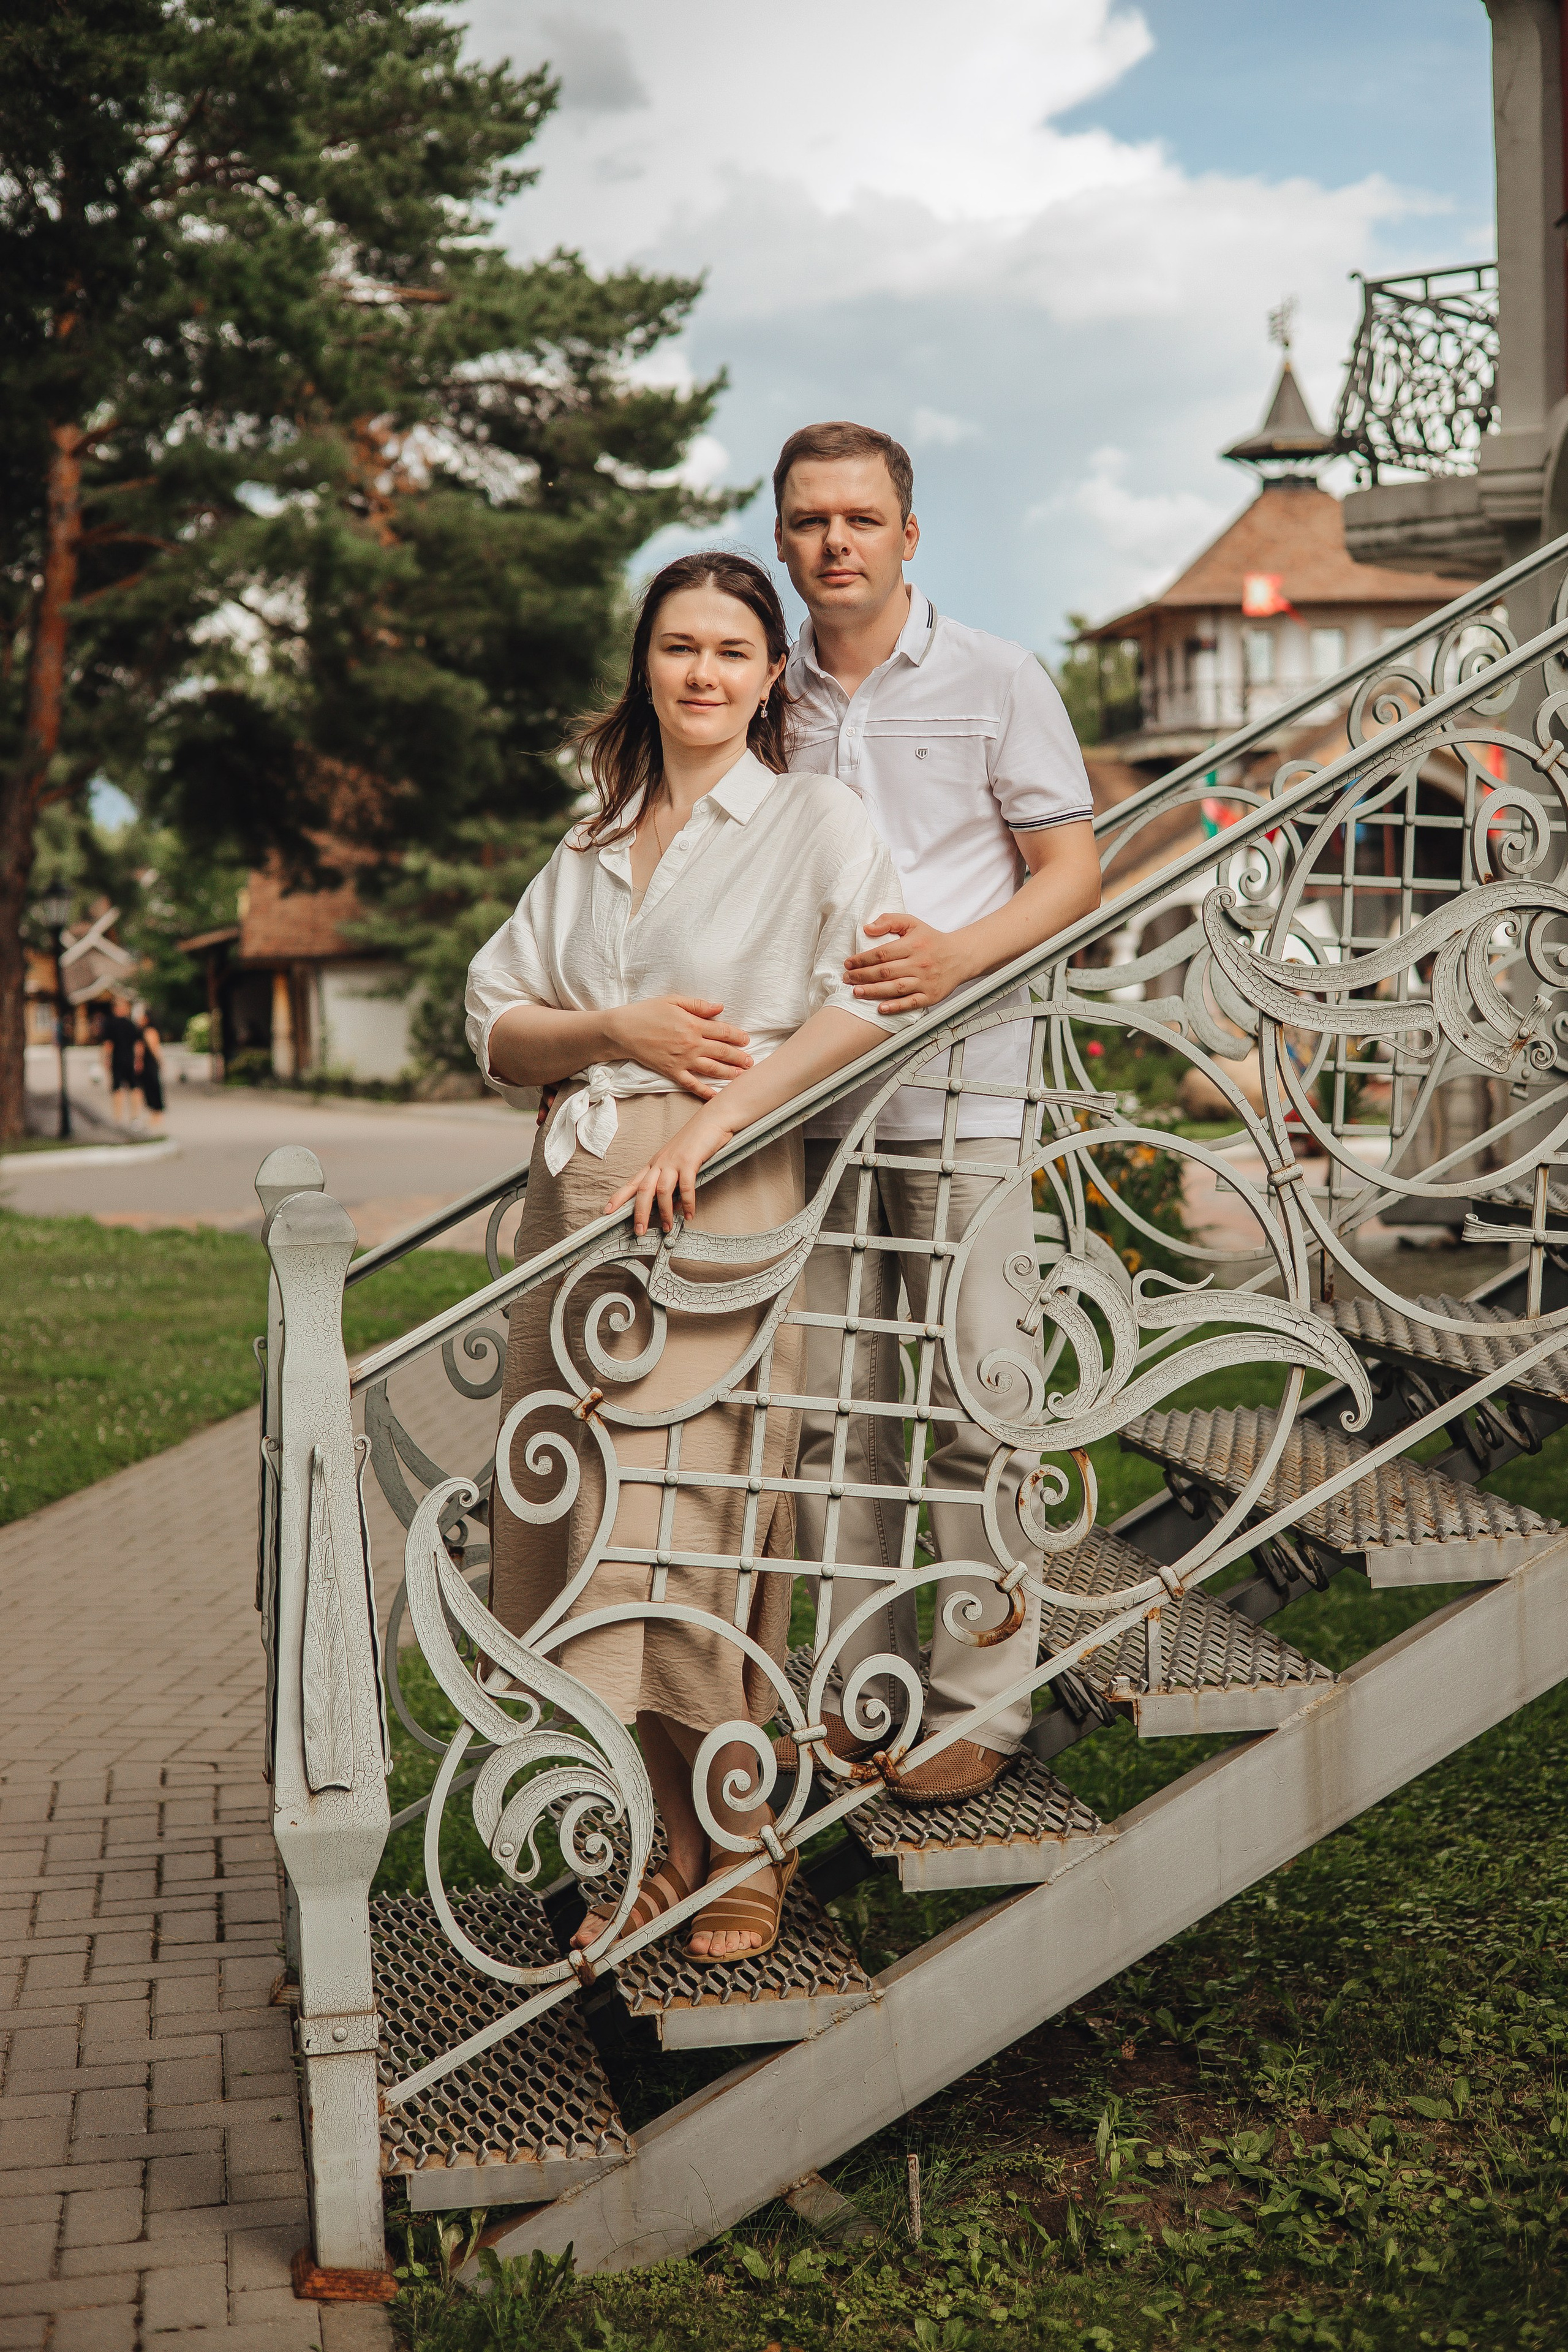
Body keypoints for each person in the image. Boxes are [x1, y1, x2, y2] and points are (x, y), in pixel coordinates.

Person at [464, 551, 908, 1962]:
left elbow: (865, 998)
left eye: (729, 649)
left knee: (681, 1527)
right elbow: (492, 1021)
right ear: (643, 667)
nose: (701, 671)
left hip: (711, 1191)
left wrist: (711, 1120)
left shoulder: (810, 819)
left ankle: (748, 1838)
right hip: (577, 1212)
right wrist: (615, 1028)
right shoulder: (592, 843)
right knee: (581, 1528)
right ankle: (665, 1846)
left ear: (770, 675)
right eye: (677, 646)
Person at [771, 419, 1102, 1808]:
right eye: (808, 520)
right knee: (836, 1421)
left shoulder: (996, 676)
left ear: (909, 534)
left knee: (980, 1407)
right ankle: (863, 1695)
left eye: (859, 518)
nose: (834, 542)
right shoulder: (767, 694)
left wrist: (957, 957)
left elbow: (1069, 868)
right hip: (805, 1115)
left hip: (964, 1101)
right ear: (780, 538)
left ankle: (981, 1705)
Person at [100, 992, 142, 1129]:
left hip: (117, 1060)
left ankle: (118, 1118)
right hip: (130, 1060)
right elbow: (138, 1045)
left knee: (117, 1088)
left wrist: (105, 1059)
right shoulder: (132, 1024)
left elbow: (108, 1045)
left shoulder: (110, 1024)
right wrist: (139, 1060)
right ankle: (134, 1117)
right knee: (133, 1088)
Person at [132, 1003, 166, 1135]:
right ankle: (154, 1114)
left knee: (153, 1087)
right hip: (148, 1063)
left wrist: (159, 1061)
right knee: (149, 1088)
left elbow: (153, 1048)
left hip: (150, 1063)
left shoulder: (149, 1031)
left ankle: (157, 1115)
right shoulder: (143, 1031)